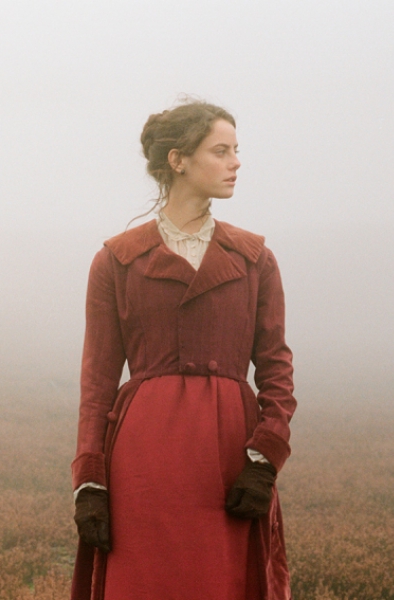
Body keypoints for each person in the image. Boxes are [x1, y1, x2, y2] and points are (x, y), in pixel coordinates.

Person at [70, 100, 296, 600]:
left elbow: (278, 370)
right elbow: (97, 383)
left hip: (230, 457)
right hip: (143, 462)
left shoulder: (255, 258)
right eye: (221, 150)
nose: (236, 162)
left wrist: (265, 460)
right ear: (178, 160)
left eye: (236, 150)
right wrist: (91, 481)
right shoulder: (117, 261)